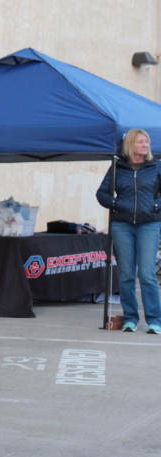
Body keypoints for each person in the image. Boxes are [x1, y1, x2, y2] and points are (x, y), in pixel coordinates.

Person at [96, 128, 161, 334]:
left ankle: (155, 320)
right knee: (126, 276)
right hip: (122, 225)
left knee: (147, 274)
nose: (146, 145)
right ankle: (130, 319)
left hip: (149, 224)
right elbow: (101, 193)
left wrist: (156, 206)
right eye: (141, 142)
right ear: (130, 145)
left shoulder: (156, 167)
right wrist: (115, 204)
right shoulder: (117, 167)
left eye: (147, 142)